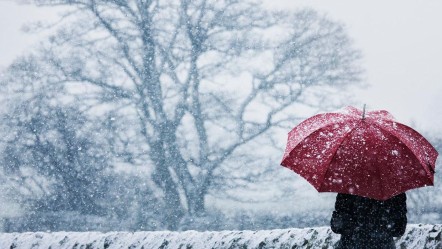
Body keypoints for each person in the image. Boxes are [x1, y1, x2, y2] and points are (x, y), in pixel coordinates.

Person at [330, 193, 407, 249]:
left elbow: (337, 226)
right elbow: (399, 230)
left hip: (351, 244)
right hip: (383, 245)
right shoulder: (393, 190)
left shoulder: (348, 188)